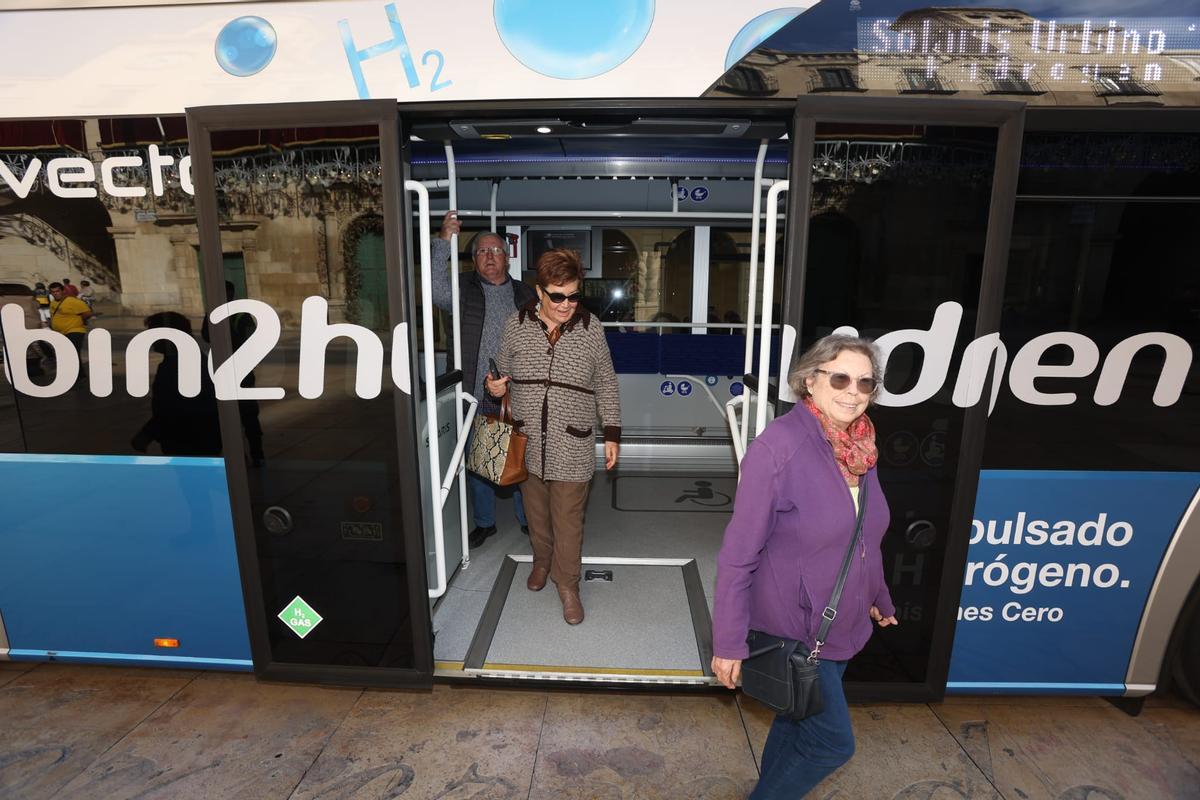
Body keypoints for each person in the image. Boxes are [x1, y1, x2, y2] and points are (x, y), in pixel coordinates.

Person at [711, 333, 898, 799]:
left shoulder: (861, 447)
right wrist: (729, 642)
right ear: (809, 381)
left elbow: (865, 534)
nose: (853, 391)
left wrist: (878, 596)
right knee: (831, 744)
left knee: (796, 719)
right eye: (840, 378)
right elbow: (738, 554)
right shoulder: (778, 449)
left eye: (865, 382)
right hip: (796, 627)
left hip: (841, 624)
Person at [486, 248, 620, 625]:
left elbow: (606, 382)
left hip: (572, 441)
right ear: (540, 292)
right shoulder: (516, 324)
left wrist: (612, 432)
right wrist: (494, 387)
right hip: (527, 441)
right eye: (557, 296)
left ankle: (568, 585)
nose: (566, 304)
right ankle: (541, 562)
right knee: (537, 516)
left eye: (574, 295)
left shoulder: (591, 328)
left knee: (568, 520)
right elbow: (499, 374)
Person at [432, 211, 536, 548]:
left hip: (519, 394)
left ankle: (528, 520)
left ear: (507, 257)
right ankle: (485, 523)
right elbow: (434, 289)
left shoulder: (526, 295)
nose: (489, 257)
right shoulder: (462, 288)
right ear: (473, 259)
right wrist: (444, 241)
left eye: (495, 251)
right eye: (481, 251)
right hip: (474, 392)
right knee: (480, 462)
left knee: (522, 459)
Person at [131, 312, 222, 457]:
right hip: (191, 438)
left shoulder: (181, 364)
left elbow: (175, 408)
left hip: (190, 440)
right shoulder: (182, 359)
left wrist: (148, 433)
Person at [47, 281, 92, 355]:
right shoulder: (53, 302)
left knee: (73, 354)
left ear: (63, 291)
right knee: (66, 355)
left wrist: (79, 321)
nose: (55, 293)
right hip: (61, 333)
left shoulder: (73, 301)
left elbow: (88, 313)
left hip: (74, 331)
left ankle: (78, 367)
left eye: (57, 291)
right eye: (53, 292)